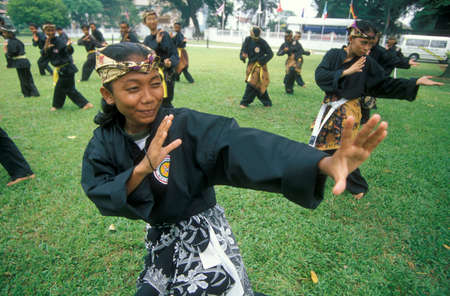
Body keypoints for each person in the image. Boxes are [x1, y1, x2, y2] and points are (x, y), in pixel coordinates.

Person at [81, 42, 389, 295]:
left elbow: (240, 144)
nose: (149, 98)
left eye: (155, 84)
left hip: (202, 236)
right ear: (108, 95)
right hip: (160, 239)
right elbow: (100, 188)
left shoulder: (183, 125)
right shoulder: (104, 143)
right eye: (133, 88)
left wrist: (321, 162)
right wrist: (143, 168)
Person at [311, 20, 443, 199]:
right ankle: (317, 177)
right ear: (351, 38)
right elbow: (320, 76)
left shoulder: (367, 63)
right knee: (322, 144)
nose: (367, 48)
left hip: (348, 111)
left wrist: (414, 82)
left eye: (370, 44)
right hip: (329, 108)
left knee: (341, 147)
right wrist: (345, 72)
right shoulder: (334, 55)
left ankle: (357, 187)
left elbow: (384, 84)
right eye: (363, 43)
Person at [360, 30, 420, 124]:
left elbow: (392, 60)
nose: (371, 40)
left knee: (366, 101)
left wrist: (406, 62)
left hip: (374, 79)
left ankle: (363, 119)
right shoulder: (362, 48)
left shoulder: (381, 50)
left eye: (374, 38)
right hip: (360, 78)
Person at [42, 23, 93, 111]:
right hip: (61, 69)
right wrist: (46, 47)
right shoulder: (48, 41)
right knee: (60, 88)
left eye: (52, 30)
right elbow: (44, 54)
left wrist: (69, 47)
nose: (50, 32)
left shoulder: (59, 41)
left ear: (55, 31)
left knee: (68, 89)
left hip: (67, 68)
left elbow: (68, 51)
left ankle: (86, 104)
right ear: (45, 32)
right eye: (48, 31)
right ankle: (57, 106)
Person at [142, 10, 179, 108]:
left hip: (166, 74)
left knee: (165, 102)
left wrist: (170, 62)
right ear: (145, 23)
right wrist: (157, 43)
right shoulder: (147, 39)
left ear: (157, 20)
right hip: (151, 74)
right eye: (149, 19)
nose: (152, 21)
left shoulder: (164, 35)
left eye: (154, 18)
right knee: (153, 102)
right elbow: (147, 55)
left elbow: (174, 53)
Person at [1, 24, 40, 97]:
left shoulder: (11, 42)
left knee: (23, 79)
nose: (3, 34)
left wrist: (6, 51)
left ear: (9, 33)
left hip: (20, 63)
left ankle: (28, 94)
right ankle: (32, 93)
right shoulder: (17, 41)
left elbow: (11, 54)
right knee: (27, 78)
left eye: (4, 32)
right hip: (24, 62)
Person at [239, 26, 273, 108]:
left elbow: (270, 54)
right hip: (251, 65)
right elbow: (243, 51)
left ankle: (244, 102)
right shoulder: (247, 40)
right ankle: (267, 102)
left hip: (260, 66)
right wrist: (243, 57)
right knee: (258, 83)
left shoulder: (263, 42)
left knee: (252, 82)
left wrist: (261, 61)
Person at [277, 30, 296, 94]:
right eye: (286, 36)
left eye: (290, 36)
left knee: (293, 74)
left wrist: (308, 52)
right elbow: (278, 53)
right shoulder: (284, 44)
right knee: (290, 72)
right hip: (290, 60)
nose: (288, 38)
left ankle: (290, 88)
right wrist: (284, 51)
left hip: (297, 60)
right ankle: (288, 89)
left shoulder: (295, 43)